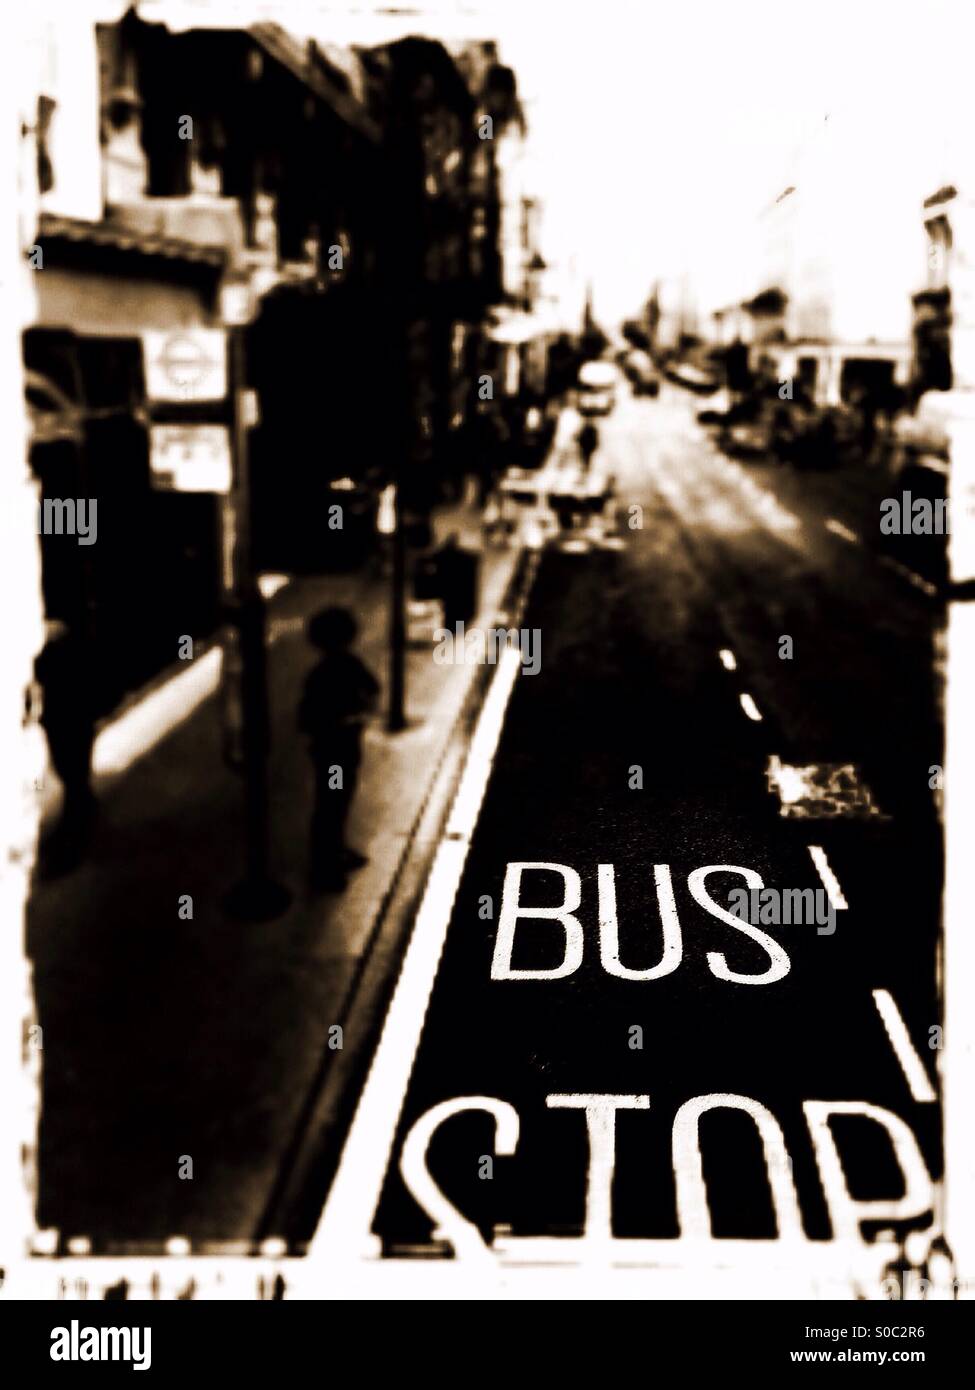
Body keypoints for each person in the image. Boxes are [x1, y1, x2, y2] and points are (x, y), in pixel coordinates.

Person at [298, 607, 379, 893]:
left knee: (332, 804)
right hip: (339, 749)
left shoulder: (319, 674)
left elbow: (305, 719)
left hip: (330, 751)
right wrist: (355, 716)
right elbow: (373, 688)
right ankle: (325, 867)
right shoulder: (349, 665)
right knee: (333, 805)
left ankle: (332, 855)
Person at [35, 621, 98, 877]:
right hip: (57, 640)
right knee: (63, 725)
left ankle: (79, 806)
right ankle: (79, 801)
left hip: (67, 637)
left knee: (67, 726)